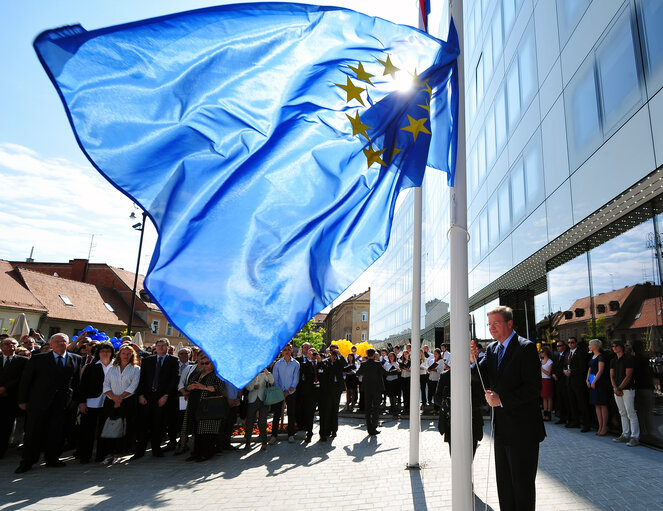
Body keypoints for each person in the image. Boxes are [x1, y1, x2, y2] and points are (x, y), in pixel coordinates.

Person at [471, 306, 545, 511]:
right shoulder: (492, 349)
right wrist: (473, 360)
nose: (491, 328)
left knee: (522, 486)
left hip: (523, 431)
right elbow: (479, 377)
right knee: (504, 485)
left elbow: (533, 388)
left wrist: (502, 400)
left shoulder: (526, 347)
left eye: (496, 323)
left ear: (509, 323)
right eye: (489, 324)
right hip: (501, 429)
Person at [16, 333, 83, 473]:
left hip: (62, 403)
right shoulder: (38, 359)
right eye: (57, 341)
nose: (60, 344)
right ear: (51, 344)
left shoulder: (75, 359)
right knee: (33, 432)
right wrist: (22, 400)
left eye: (63, 341)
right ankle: (27, 461)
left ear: (68, 343)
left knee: (57, 432)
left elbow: (77, 382)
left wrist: (78, 400)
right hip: (39, 402)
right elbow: (26, 381)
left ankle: (52, 458)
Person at [132, 338, 179, 459]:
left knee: (158, 425)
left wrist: (166, 395)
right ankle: (139, 451)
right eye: (158, 345)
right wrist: (141, 395)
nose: (161, 347)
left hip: (162, 398)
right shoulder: (148, 360)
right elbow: (141, 379)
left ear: (168, 347)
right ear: (155, 347)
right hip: (146, 397)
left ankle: (156, 450)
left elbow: (174, 380)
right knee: (143, 425)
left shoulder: (173, 361)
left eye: (163, 345)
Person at [183, 354, 225, 461]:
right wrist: (190, 387)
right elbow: (188, 385)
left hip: (208, 406)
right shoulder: (199, 373)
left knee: (207, 430)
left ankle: (206, 453)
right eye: (202, 363)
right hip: (195, 404)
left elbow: (219, 388)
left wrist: (203, 387)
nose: (204, 365)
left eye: (207, 363)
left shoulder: (217, 374)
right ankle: (196, 453)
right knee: (197, 430)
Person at [102, 344, 140, 464]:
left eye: (129, 354)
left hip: (127, 402)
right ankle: (108, 453)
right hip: (111, 401)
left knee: (123, 427)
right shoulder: (112, 368)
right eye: (124, 353)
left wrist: (120, 398)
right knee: (110, 426)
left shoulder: (135, 369)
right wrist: (114, 398)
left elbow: (133, 385)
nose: (126, 356)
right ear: (119, 354)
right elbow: (106, 384)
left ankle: (119, 452)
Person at [77, 342, 115, 464]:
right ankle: (85, 455)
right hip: (92, 402)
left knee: (104, 430)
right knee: (88, 430)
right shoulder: (91, 367)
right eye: (102, 351)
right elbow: (82, 386)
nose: (105, 353)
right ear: (98, 353)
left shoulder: (116, 367)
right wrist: (81, 402)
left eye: (108, 351)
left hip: (109, 402)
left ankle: (101, 455)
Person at [0, 337, 28, 459]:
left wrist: (5, 388)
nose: (10, 346)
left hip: (10, 398)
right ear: (1, 346)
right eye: (7, 343)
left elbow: (22, 378)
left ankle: (1, 449)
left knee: (6, 426)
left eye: (13, 344)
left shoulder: (23, 361)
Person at [610, 340, 640, 447]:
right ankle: (625, 434)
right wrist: (615, 388)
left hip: (627, 389)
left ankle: (635, 436)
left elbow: (628, 376)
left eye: (616, 346)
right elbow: (612, 375)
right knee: (622, 412)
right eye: (613, 346)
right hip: (617, 389)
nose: (614, 348)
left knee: (630, 412)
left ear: (621, 347)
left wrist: (619, 388)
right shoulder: (613, 360)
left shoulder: (628, 358)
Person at [270, 344, 300, 444]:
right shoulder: (278, 364)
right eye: (285, 350)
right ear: (282, 352)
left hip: (291, 392)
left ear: (291, 351)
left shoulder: (296, 364)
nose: (286, 351)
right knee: (277, 414)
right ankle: (274, 435)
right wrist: (281, 391)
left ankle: (290, 435)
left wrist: (289, 391)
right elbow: (275, 378)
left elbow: (295, 379)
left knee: (291, 414)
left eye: (288, 349)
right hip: (279, 392)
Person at [356, 348, 386, 436]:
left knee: (368, 409)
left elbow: (358, 373)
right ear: (374, 355)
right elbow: (385, 373)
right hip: (376, 388)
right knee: (376, 408)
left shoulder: (363, 364)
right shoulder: (377, 364)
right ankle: (374, 427)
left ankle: (369, 428)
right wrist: (395, 370)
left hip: (367, 388)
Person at [565, 337, 591, 432]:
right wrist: (565, 371)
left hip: (578, 382)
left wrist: (572, 372)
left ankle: (586, 424)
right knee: (572, 403)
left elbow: (583, 368)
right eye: (569, 342)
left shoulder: (580, 353)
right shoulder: (568, 354)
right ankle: (575, 421)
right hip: (570, 382)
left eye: (572, 342)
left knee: (582, 403)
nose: (570, 344)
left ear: (576, 343)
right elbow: (566, 365)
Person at [244, 368, 274, 450]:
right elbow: (248, 388)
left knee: (262, 422)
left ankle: (264, 443)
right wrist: (254, 384)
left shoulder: (263, 374)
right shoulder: (249, 375)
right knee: (250, 422)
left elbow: (272, 381)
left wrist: (267, 372)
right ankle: (248, 443)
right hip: (252, 400)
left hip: (263, 400)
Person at [586, 339, 610, 436]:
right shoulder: (593, 356)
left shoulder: (600, 357)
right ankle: (600, 426)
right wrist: (587, 380)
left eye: (590, 345)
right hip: (592, 381)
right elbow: (590, 369)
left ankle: (604, 426)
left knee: (602, 404)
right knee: (596, 404)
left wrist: (594, 381)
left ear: (595, 346)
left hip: (599, 382)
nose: (589, 346)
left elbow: (600, 370)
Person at [552, 340, 569, 425]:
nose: (558, 348)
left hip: (564, 381)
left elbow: (564, 367)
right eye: (557, 346)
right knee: (560, 400)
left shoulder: (566, 355)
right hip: (557, 381)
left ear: (564, 346)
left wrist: (558, 375)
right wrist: (553, 373)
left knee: (566, 400)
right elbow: (554, 366)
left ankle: (568, 418)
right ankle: (562, 417)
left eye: (560, 346)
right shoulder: (557, 355)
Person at [383, 352, 401, 417]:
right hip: (388, 380)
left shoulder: (396, 363)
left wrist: (397, 370)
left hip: (395, 380)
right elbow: (384, 371)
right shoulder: (386, 363)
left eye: (392, 356)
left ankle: (394, 406)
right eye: (390, 356)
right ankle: (391, 406)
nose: (391, 357)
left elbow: (399, 371)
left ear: (394, 357)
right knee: (390, 394)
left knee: (394, 394)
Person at [539, 346, 553, 421]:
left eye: (542, 352)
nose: (541, 353)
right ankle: (545, 413)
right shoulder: (541, 361)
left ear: (546, 352)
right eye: (540, 352)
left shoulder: (550, 361)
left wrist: (541, 368)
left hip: (547, 380)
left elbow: (548, 373)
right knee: (544, 397)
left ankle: (549, 413)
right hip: (542, 380)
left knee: (548, 397)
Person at [399, 349, 411, 415]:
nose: (405, 355)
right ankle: (405, 407)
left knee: (408, 392)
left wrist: (406, 369)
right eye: (404, 354)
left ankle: (408, 407)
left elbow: (411, 370)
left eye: (406, 354)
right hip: (403, 377)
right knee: (404, 393)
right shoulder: (402, 361)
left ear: (408, 354)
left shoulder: (410, 361)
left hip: (408, 378)